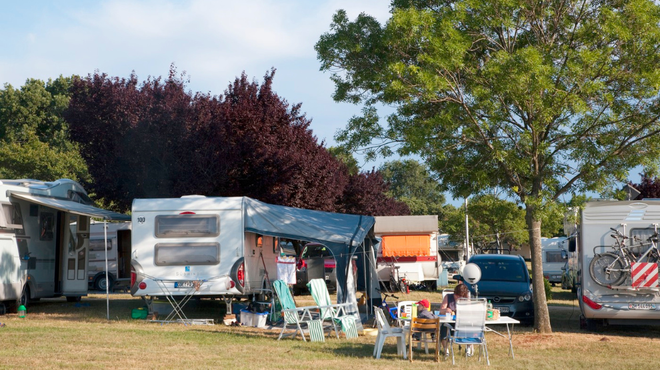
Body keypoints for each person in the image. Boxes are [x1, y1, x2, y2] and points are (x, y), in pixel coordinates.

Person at [439, 283, 470, 356]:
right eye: (456, 295)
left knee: (470, 327)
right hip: (450, 322)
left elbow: (469, 311)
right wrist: (446, 310)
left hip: (462, 323)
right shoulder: (448, 297)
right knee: (444, 327)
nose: (457, 297)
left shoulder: (466, 300)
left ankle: (468, 349)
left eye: (460, 296)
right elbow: (441, 310)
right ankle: (446, 350)